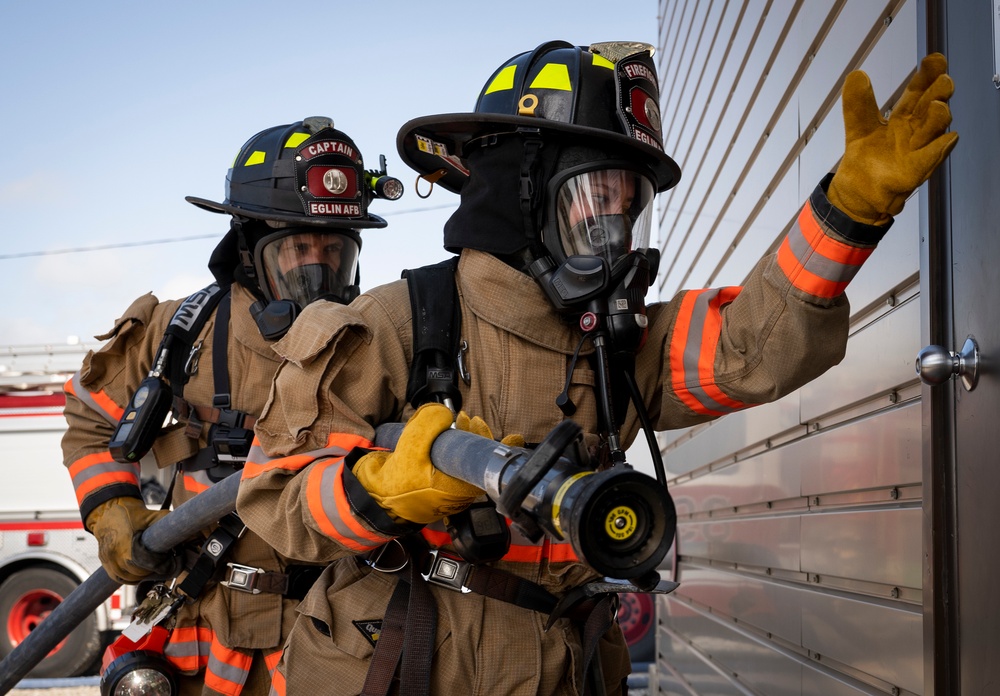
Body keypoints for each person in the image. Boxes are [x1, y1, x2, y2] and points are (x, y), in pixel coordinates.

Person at [235, 41, 958, 696]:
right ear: (524, 192)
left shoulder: (619, 343)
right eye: (596, 195)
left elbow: (750, 346)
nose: (615, 227)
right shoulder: (398, 323)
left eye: (629, 203)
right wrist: (382, 489)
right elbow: (275, 500)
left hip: (566, 662)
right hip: (407, 659)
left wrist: (849, 210)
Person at [61, 116, 400, 695]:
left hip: (336, 626)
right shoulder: (180, 331)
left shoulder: (386, 337)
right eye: (296, 249)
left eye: (334, 250)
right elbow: (91, 414)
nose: (317, 270)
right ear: (247, 247)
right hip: (205, 618)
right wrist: (111, 508)